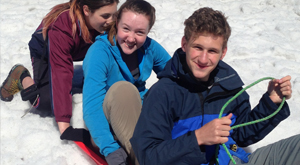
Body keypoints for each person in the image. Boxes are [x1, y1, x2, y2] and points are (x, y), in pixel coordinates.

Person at [130, 7, 298, 165]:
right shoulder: (163, 93)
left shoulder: (228, 84)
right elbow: (147, 155)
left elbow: (241, 135)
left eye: (212, 51)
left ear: (223, 52)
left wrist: (272, 102)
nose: (203, 59)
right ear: (185, 44)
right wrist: (197, 138)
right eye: (198, 47)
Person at [0, 0, 119, 145]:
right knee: (45, 102)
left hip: (77, 50)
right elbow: (61, 73)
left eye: (114, 14)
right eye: (106, 16)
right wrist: (65, 127)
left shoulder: (104, 22)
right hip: (44, 52)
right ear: (87, 10)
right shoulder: (63, 28)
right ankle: (21, 76)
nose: (112, 20)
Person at [82, 0, 171, 164]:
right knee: (124, 90)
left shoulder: (149, 47)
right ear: (117, 23)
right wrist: (110, 149)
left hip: (139, 118)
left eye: (139, 32)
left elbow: (175, 75)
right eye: (126, 29)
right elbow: (92, 105)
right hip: (107, 128)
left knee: (166, 88)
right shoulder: (100, 52)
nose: (131, 38)